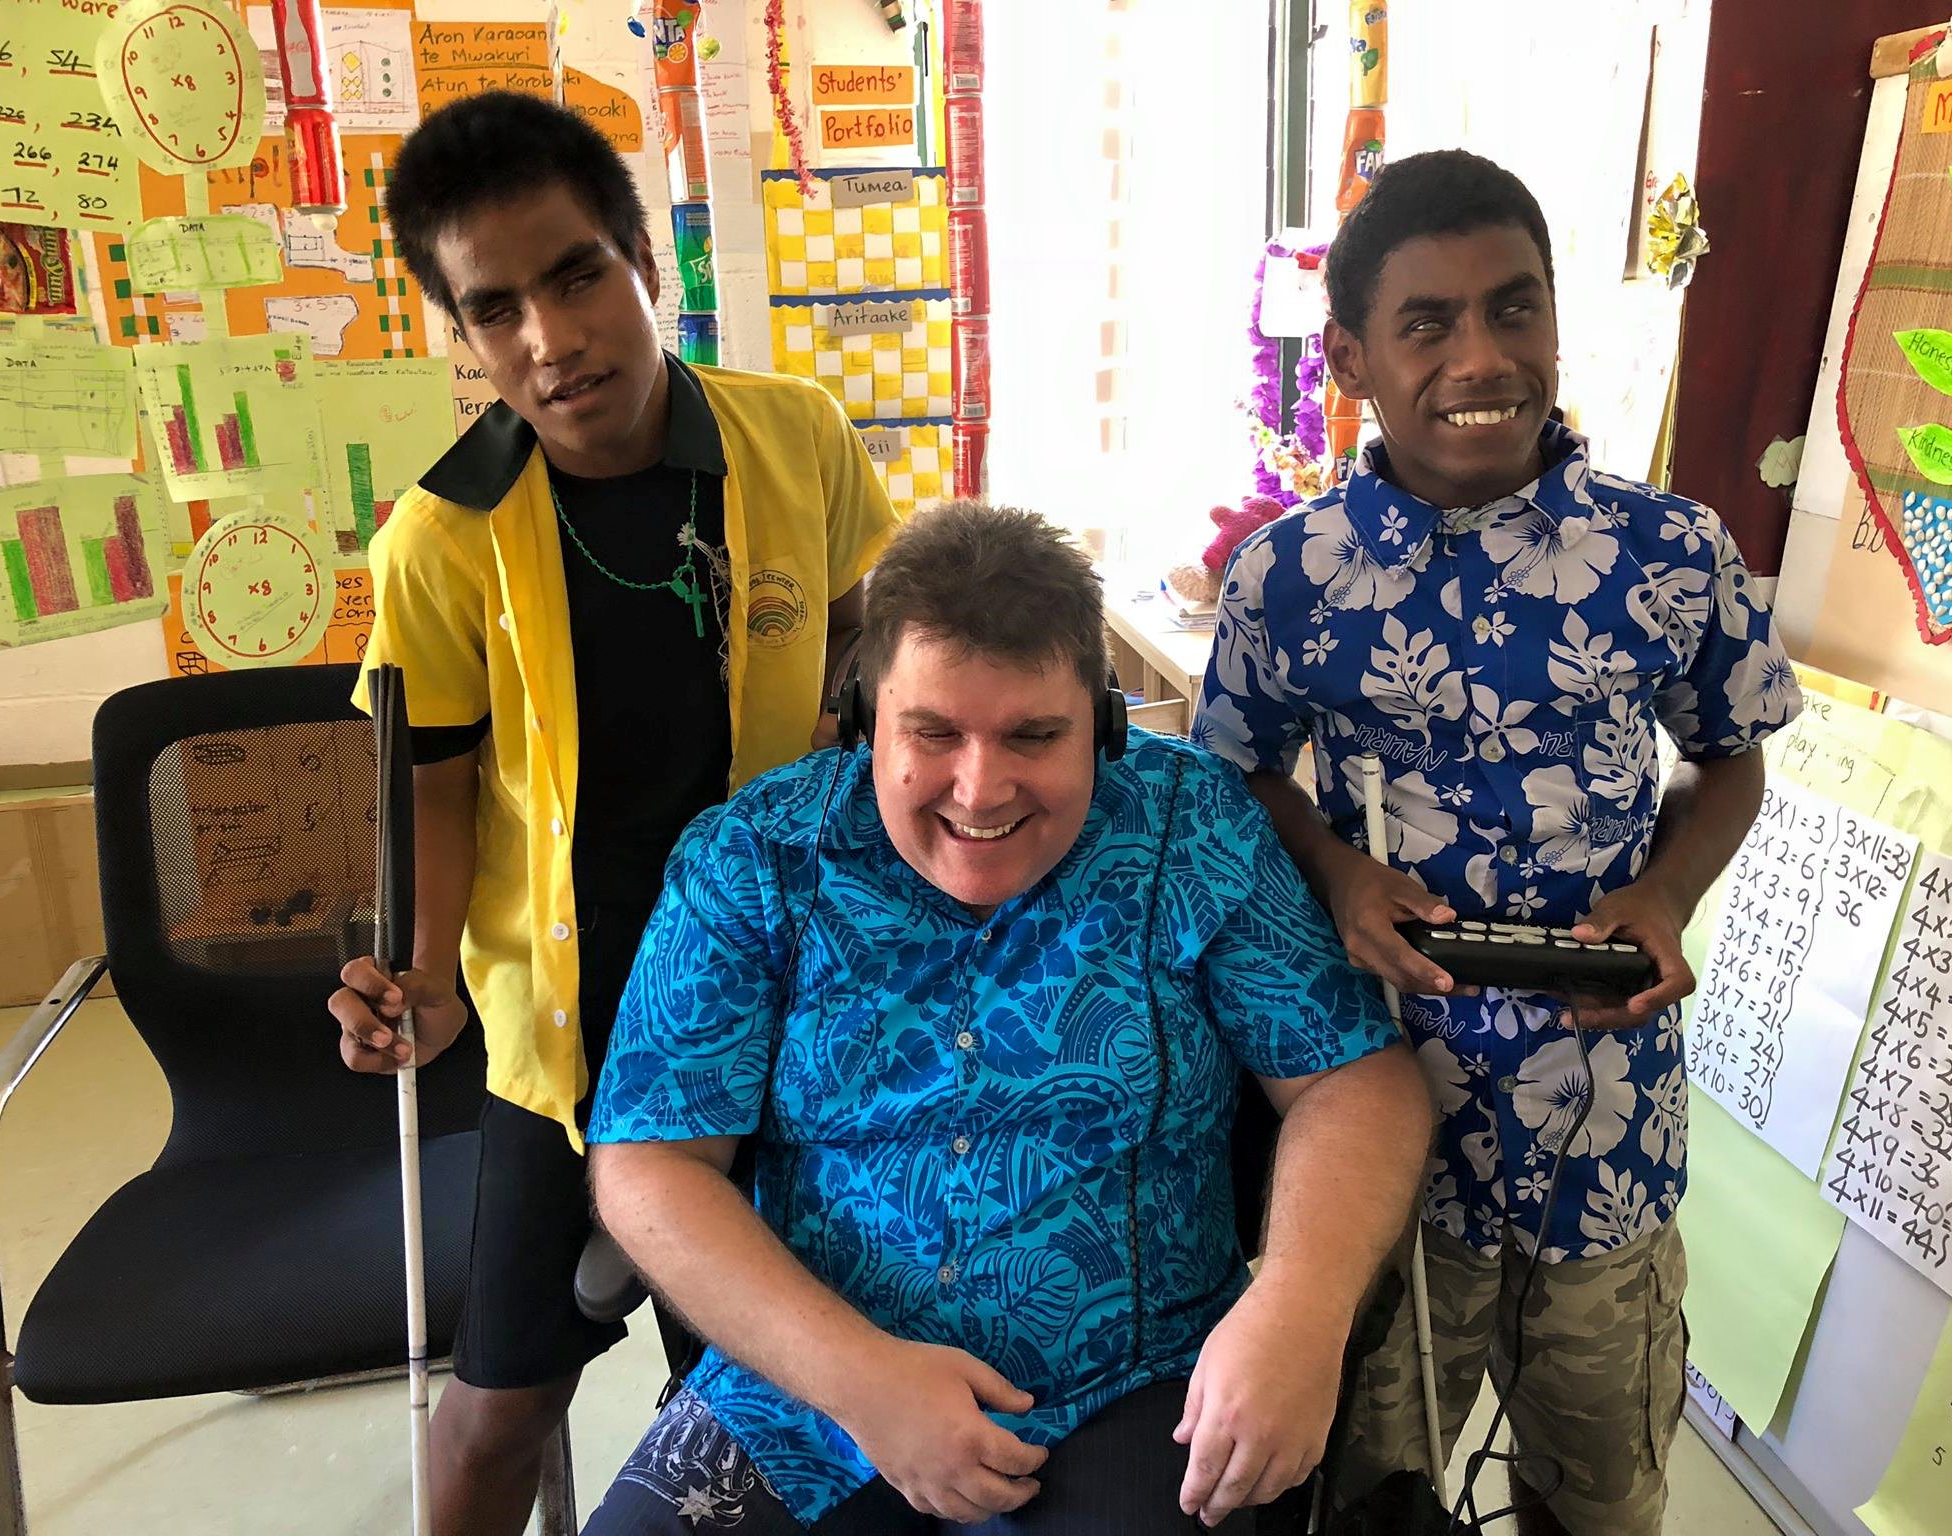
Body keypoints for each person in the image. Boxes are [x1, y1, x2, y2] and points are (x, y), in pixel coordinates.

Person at [581, 502, 1431, 1533]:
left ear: (1105, 722)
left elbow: (1350, 1077)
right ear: (863, 718)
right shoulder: (753, 857)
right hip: (804, 1389)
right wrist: (866, 1384)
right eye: (931, 734)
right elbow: (650, 1161)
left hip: (1130, 1382)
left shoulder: (1190, 827)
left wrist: (1301, 1304)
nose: (978, 790)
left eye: (1033, 735)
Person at [1193, 149, 1802, 1536]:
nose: (1483, 356)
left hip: (1610, 1126)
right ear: (1349, 355)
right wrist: (1340, 874)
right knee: (1371, 1498)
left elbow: (1732, 757)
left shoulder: (1673, 553)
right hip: (1382, 1127)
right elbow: (1234, 781)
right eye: (1429, 323)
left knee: (1600, 1493)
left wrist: (1663, 892)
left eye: (1514, 309)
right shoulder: (1288, 579)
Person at [324, 91, 899, 1536]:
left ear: (645, 259)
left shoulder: (798, 438)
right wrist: (434, 976)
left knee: (782, 1399)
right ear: (460, 333)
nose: (548, 339)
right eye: (493, 307)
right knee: (500, 1401)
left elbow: (873, 672)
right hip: (571, 1045)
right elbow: (436, 788)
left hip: (783, 1014)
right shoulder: (441, 540)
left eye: (577, 274)